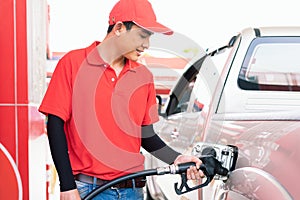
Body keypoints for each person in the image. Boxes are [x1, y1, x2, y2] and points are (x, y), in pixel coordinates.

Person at [39, 0, 205, 199]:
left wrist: (177, 158)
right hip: (89, 190)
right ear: (118, 28)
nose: (147, 45)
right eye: (142, 35)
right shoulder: (73, 64)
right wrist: (67, 186)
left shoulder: (143, 77)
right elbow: (55, 126)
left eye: (149, 37)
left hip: (133, 191)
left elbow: (146, 135)